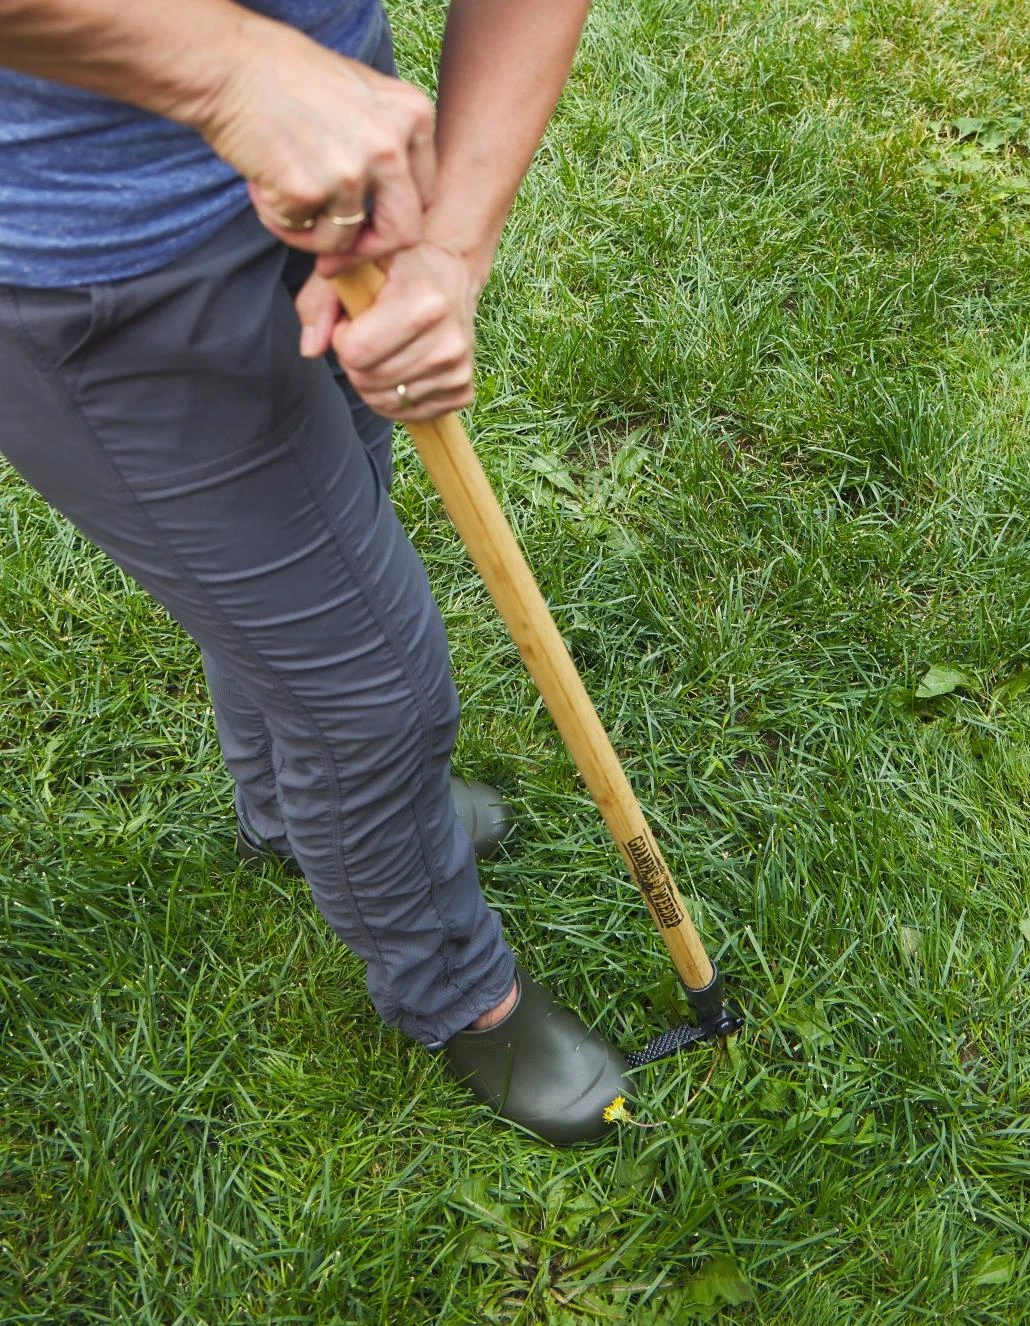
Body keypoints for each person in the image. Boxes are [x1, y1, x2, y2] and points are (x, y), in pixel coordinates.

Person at [0, 0, 631, 1145]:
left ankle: (295, 819)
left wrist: (447, 246)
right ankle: (454, 993)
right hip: (88, 262)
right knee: (371, 696)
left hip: (342, 178)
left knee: (311, 567)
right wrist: (233, 76)